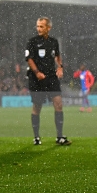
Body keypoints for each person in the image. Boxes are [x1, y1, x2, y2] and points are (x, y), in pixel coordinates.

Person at [26, 17, 71, 146]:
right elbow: (29, 58)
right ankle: (36, 137)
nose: (39, 29)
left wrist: (60, 67)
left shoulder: (54, 42)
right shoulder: (32, 42)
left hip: (51, 77)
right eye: (38, 26)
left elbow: (57, 56)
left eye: (41, 26)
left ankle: (60, 136)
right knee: (37, 107)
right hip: (36, 79)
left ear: (48, 28)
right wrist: (37, 72)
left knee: (58, 104)